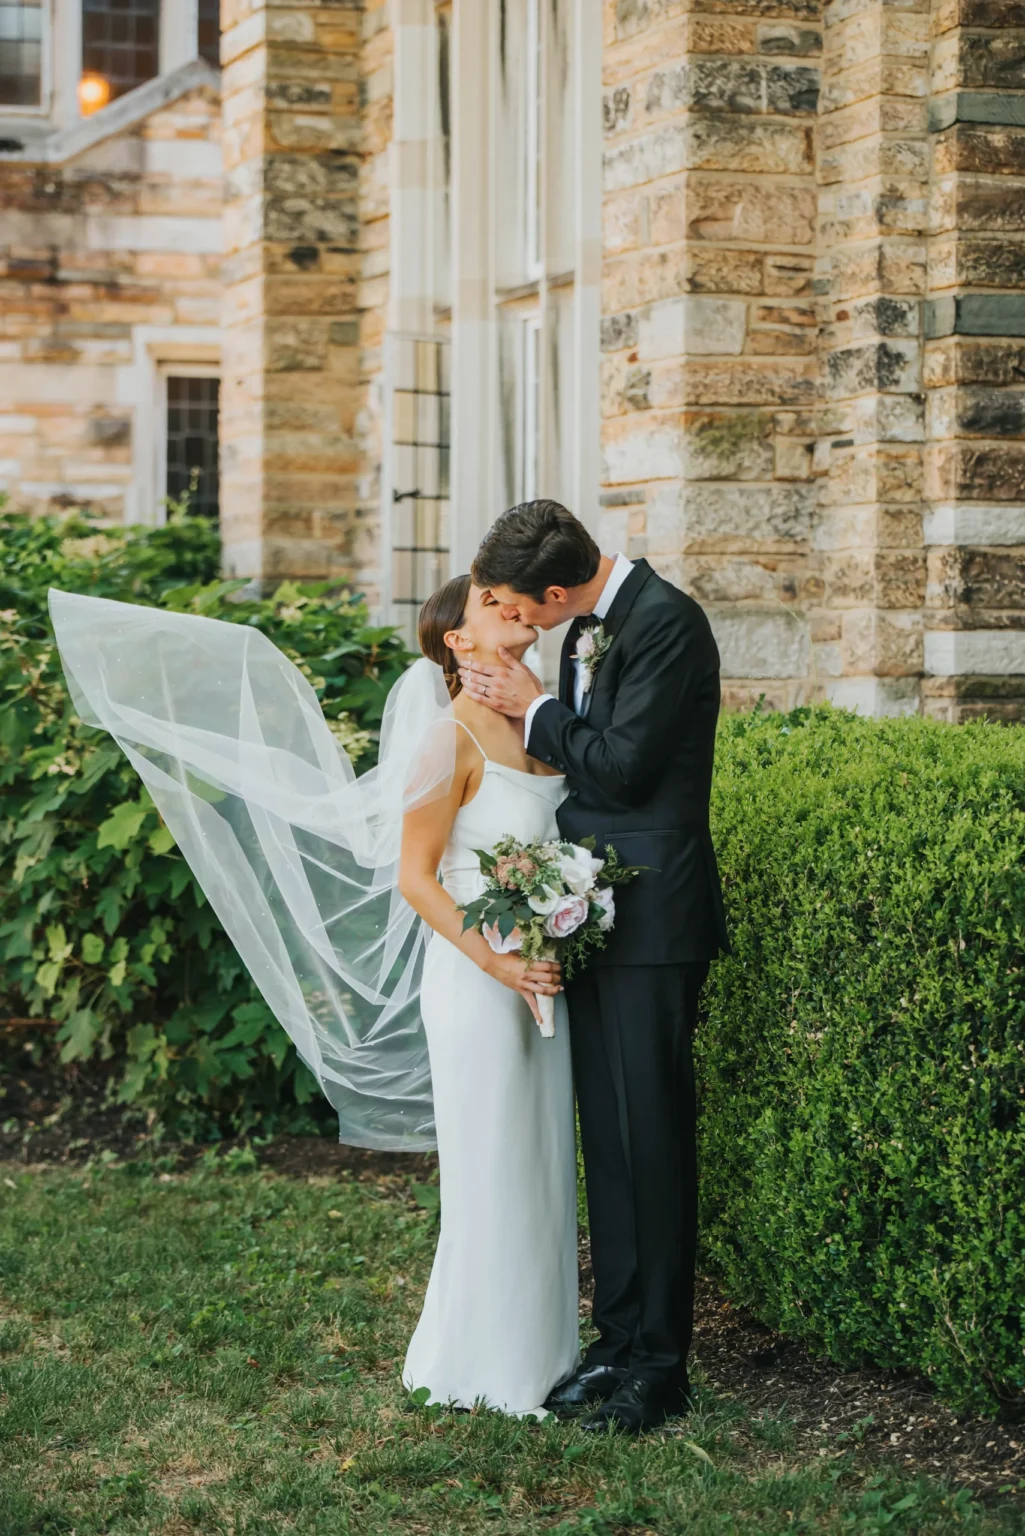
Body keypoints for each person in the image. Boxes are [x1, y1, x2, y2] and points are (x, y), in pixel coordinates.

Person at [47, 576, 579, 1420]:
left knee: (543, 1164)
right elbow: (414, 879)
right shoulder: (448, 740)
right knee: (494, 1168)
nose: (514, 612)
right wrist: (500, 966)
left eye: (519, 604)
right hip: (479, 984)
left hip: (539, 978)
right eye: (491, 606)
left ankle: (550, 1360)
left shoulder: (548, 723)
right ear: (456, 641)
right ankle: (480, 1370)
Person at [461, 499, 730, 1434]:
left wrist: (529, 711)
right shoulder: (585, 628)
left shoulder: (666, 624)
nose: (513, 617)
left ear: (556, 589)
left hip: (657, 920)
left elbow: (619, 768)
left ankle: (661, 1365)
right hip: (595, 915)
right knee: (608, 1142)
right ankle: (615, 1342)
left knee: (652, 1139)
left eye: (514, 602)